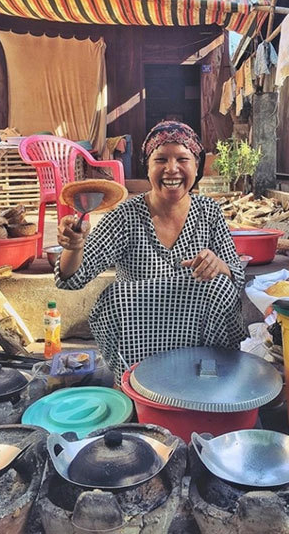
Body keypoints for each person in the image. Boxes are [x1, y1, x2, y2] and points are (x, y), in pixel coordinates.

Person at [55, 121, 246, 381]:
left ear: (196, 165)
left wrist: (219, 266)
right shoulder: (126, 216)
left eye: (182, 159)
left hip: (197, 335)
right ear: (148, 166)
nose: (171, 169)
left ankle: (213, 378)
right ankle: (135, 382)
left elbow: (236, 275)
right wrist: (74, 246)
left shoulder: (209, 212)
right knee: (115, 297)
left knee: (221, 287)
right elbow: (72, 278)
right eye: (161, 159)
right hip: (139, 339)